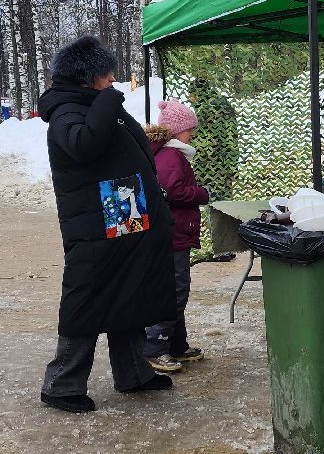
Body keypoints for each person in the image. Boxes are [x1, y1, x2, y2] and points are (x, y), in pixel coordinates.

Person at [38, 36, 176, 413]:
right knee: (87, 297)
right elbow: (82, 144)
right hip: (95, 222)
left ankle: (134, 373)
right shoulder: (67, 110)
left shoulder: (91, 104)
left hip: (119, 210)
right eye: (107, 73)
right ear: (88, 77)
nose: (113, 79)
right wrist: (107, 102)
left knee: (128, 289)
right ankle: (62, 384)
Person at [142, 99, 210, 372]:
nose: (192, 133)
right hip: (174, 232)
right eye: (189, 129)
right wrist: (202, 193)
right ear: (176, 130)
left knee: (177, 288)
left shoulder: (169, 153)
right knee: (175, 291)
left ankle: (176, 345)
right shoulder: (171, 155)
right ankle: (155, 348)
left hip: (174, 231)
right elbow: (173, 191)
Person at [186, 78, 238, 201]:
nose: (189, 98)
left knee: (211, 198)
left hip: (210, 163)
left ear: (197, 93)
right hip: (227, 160)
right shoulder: (224, 104)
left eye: (191, 94)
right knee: (224, 199)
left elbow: (202, 140)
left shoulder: (205, 110)